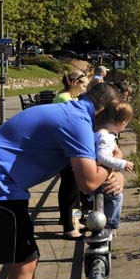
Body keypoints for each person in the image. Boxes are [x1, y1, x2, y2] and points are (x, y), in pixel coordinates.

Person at [0, 83, 126, 279]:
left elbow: (109, 154)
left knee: (28, 260)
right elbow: (88, 182)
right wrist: (112, 172)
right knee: (23, 262)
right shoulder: (78, 123)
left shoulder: (75, 114)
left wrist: (115, 168)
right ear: (104, 112)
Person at [53, 70, 90, 239]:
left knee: (75, 189)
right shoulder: (64, 99)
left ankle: (75, 219)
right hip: (67, 150)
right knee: (69, 188)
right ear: (74, 83)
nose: (84, 89)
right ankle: (69, 227)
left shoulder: (70, 97)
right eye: (83, 85)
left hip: (69, 148)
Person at [93, 101, 135, 236]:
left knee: (108, 199)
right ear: (122, 122)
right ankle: (110, 226)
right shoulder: (104, 137)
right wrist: (122, 164)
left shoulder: (100, 132)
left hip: (98, 174)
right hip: (99, 177)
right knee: (117, 197)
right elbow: (101, 157)